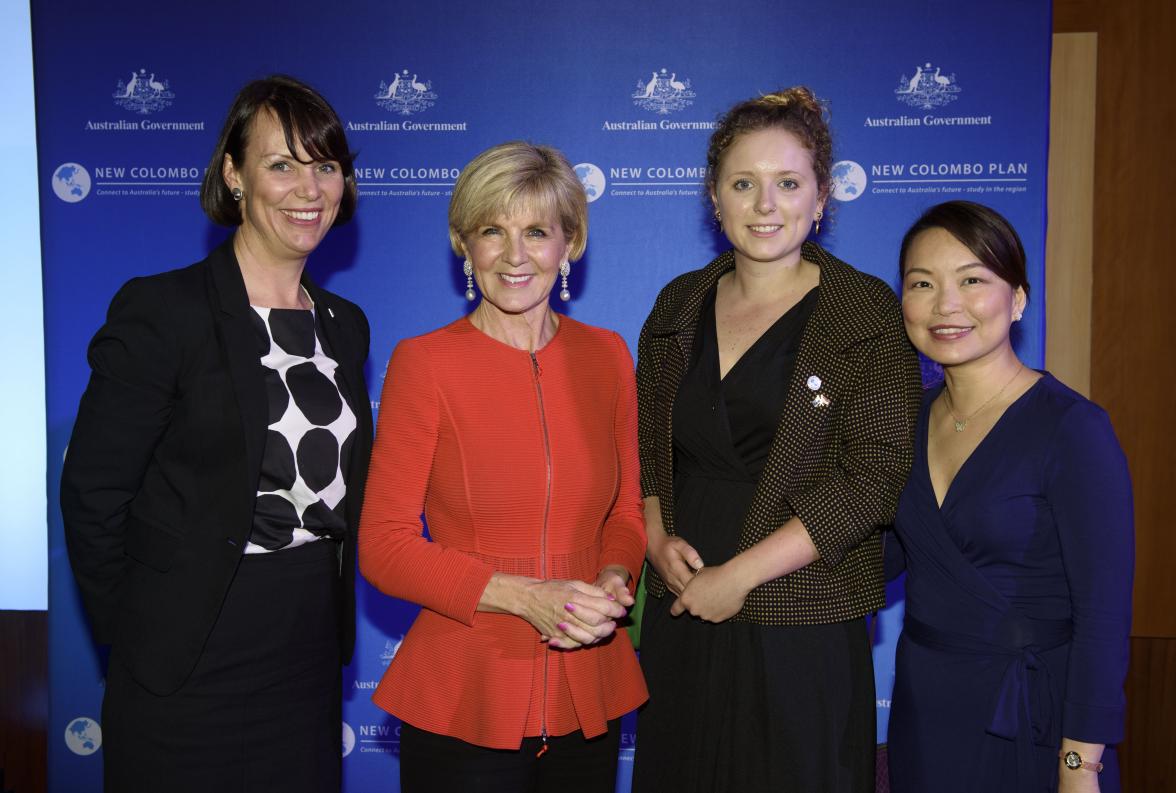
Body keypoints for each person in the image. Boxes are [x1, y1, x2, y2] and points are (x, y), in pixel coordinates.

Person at [60, 75, 372, 792]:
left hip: (306, 654)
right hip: (187, 658)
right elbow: (93, 494)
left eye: (324, 165)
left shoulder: (344, 325)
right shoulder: (164, 310)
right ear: (234, 174)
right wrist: (141, 631)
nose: (309, 188)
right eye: (281, 164)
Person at [631, 87, 923, 793]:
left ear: (822, 197)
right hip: (685, 602)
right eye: (744, 183)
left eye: (788, 183)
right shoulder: (677, 304)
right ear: (714, 198)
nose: (766, 204)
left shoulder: (867, 314)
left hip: (803, 610)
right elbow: (644, 446)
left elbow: (874, 479)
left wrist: (740, 576)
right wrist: (654, 535)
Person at [358, 141, 647, 793]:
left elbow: (625, 512)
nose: (516, 255)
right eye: (493, 230)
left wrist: (611, 574)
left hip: (587, 689)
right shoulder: (426, 362)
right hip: (466, 693)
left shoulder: (608, 358)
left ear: (570, 243)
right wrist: (526, 597)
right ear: (465, 244)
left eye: (537, 231)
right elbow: (383, 544)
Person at [887, 201, 1133, 793]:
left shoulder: (1072, 428)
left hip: (1032, 719)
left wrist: (1079, 767)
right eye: (923, 283)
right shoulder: (901, 423)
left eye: (973, 280)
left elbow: (1103, 616)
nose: (947, 304)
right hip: (925, 709)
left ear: (1018, 298)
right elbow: (877, 560)